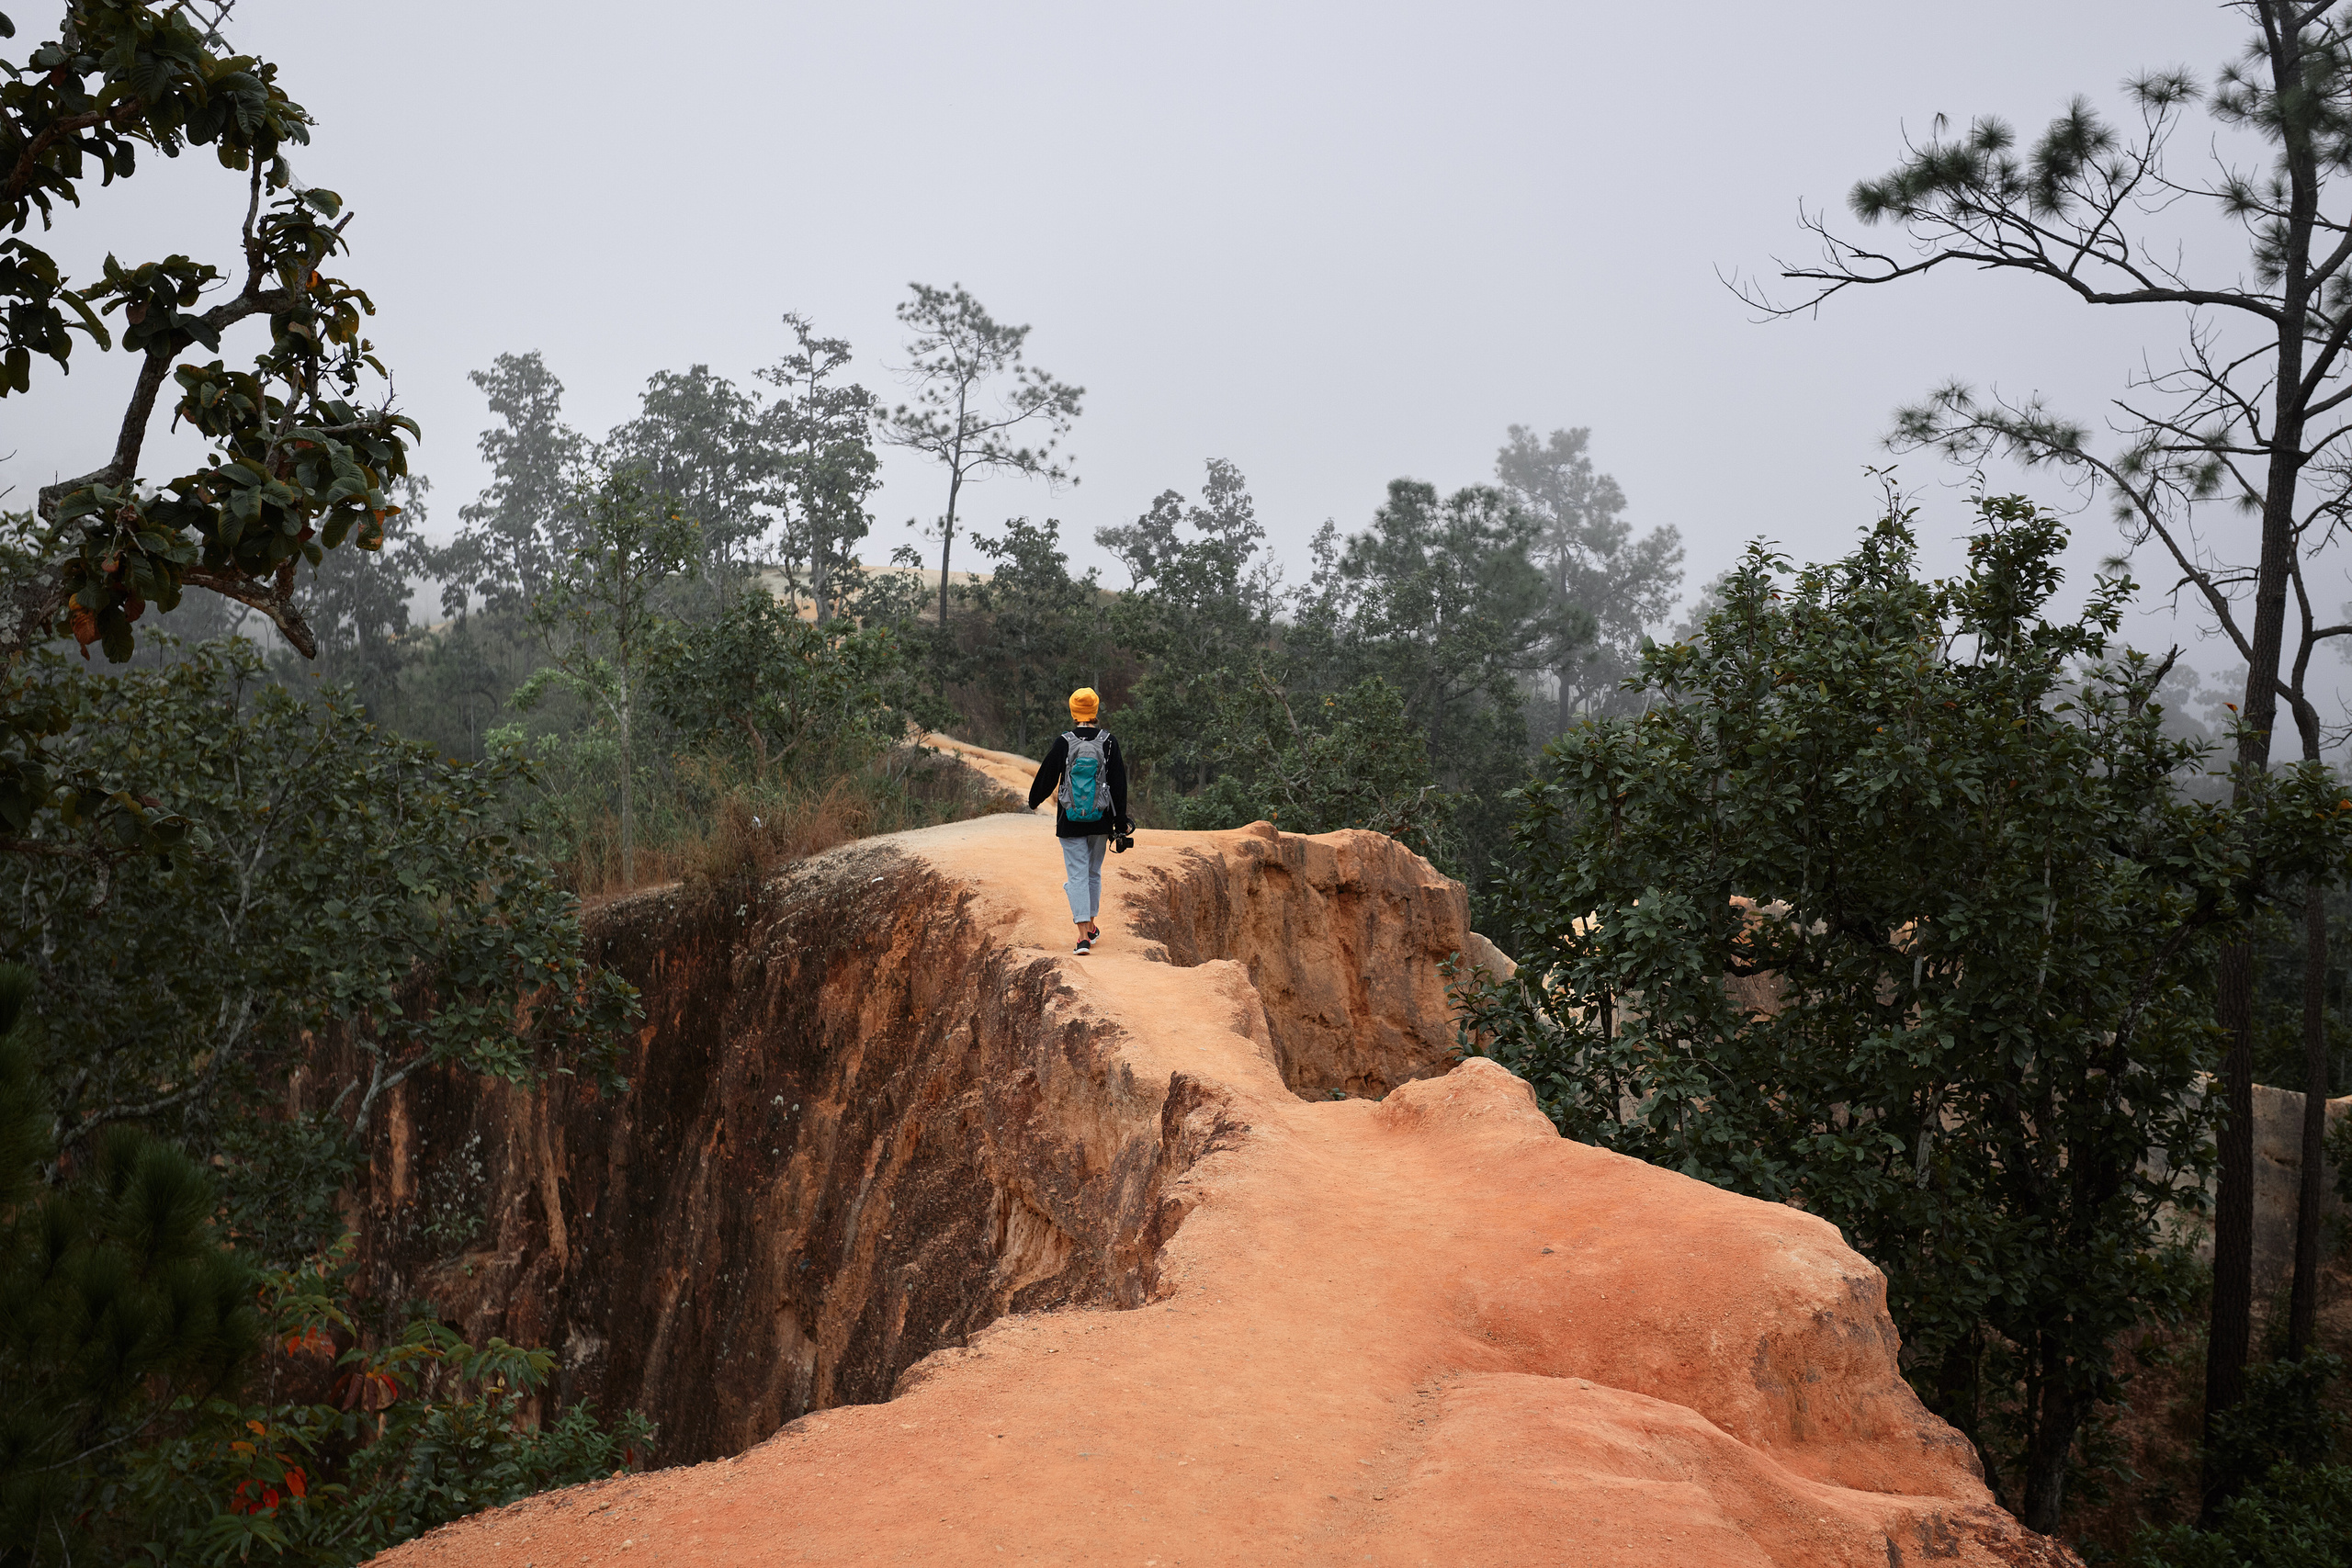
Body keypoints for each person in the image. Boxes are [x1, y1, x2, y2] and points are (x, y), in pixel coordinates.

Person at [1027, 687, 1130, 955]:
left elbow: (1047, 775)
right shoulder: (1108, 742)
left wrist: (1034, 799)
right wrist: (1120, 821)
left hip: (1070, 820)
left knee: (1076, 876)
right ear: (1095, 711)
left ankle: (1083, 937)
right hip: (1101, 819)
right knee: (1092, 873)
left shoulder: (1064, 742)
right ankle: (1092, 925)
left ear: (1073, 712)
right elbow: (1118, 784)